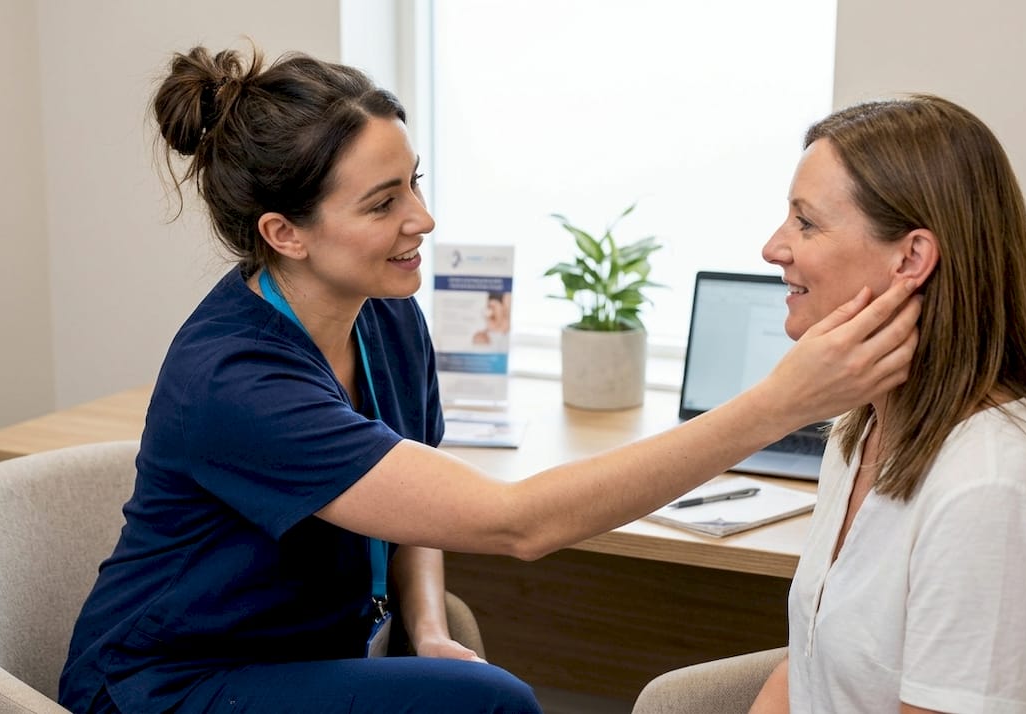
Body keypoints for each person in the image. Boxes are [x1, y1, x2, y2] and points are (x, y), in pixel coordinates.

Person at [57, 44, 920, 714]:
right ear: (286, 233)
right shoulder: (236, 381)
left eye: (416, 184)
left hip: (306, 652)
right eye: (383, 202)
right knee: (495, 702)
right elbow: (516, 526)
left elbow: (410, 503)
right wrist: (780, 404)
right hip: (168, 685)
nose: (422, 220)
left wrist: (427, 626)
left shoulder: (382, 313)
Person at [745, 95, 1026, 713]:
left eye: (805, 223)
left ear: (911, 258)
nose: (773, 248)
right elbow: (808, 664)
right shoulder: (859, 429)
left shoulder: (991, 488)